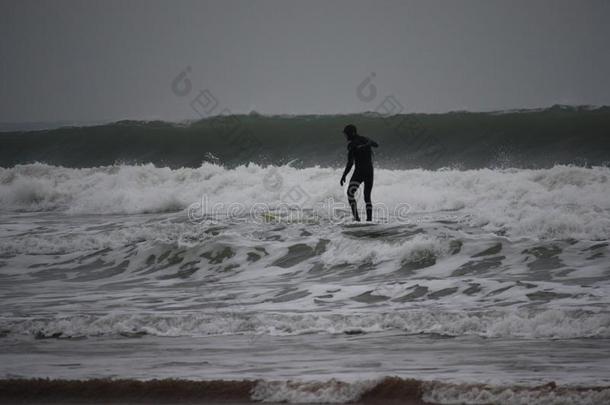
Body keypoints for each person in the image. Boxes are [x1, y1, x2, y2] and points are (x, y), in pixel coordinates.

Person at [340, 124, 378, 221]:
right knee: (367, 197)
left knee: (350, 193)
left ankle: (357, 219)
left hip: (360, 172)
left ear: (352, 133)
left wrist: (344, 175)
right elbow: (376, 144)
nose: (346, 136)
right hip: (369, 171)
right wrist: (368, 143)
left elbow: (350, 163)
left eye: (346, 134)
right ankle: (369, 221)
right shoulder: (364, 139)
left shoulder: (352, 145)